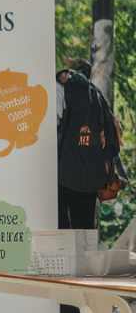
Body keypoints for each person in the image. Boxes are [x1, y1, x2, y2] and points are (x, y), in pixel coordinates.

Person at [56, 58, 120, 229]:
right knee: (84, 231)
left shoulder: (59, 91)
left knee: (61, 232)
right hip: (92, 175)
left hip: (64, 173)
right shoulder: (97, 97)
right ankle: (85, 255)